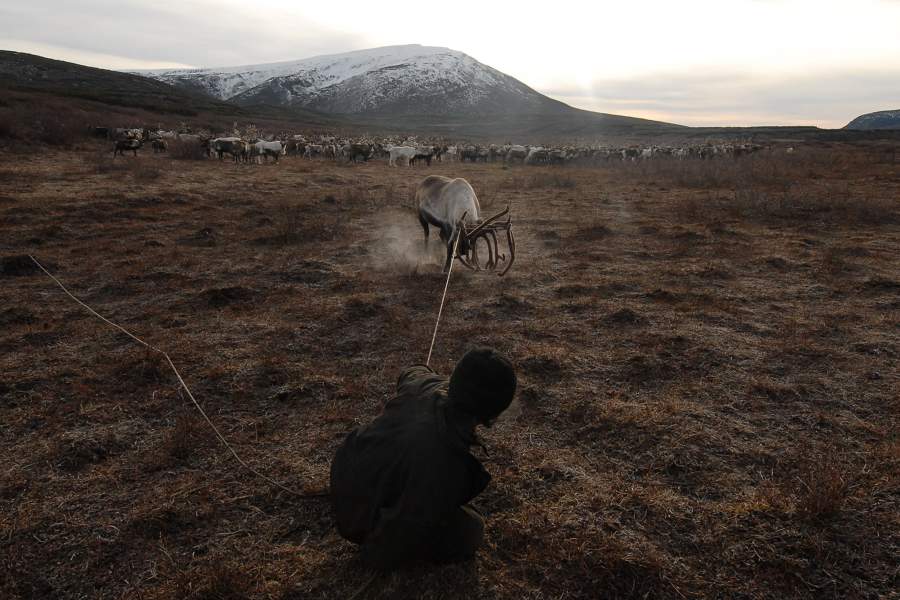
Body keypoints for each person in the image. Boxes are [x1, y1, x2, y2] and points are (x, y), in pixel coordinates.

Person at [329, 347, 517, 571]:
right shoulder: (444, 465)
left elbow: (412, 372)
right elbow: (405, 524)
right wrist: (375, 557)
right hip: (357, 514)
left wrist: (424, 370)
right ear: (492, 413)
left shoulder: (426, 385)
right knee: (471, 530)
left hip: (345, 471)